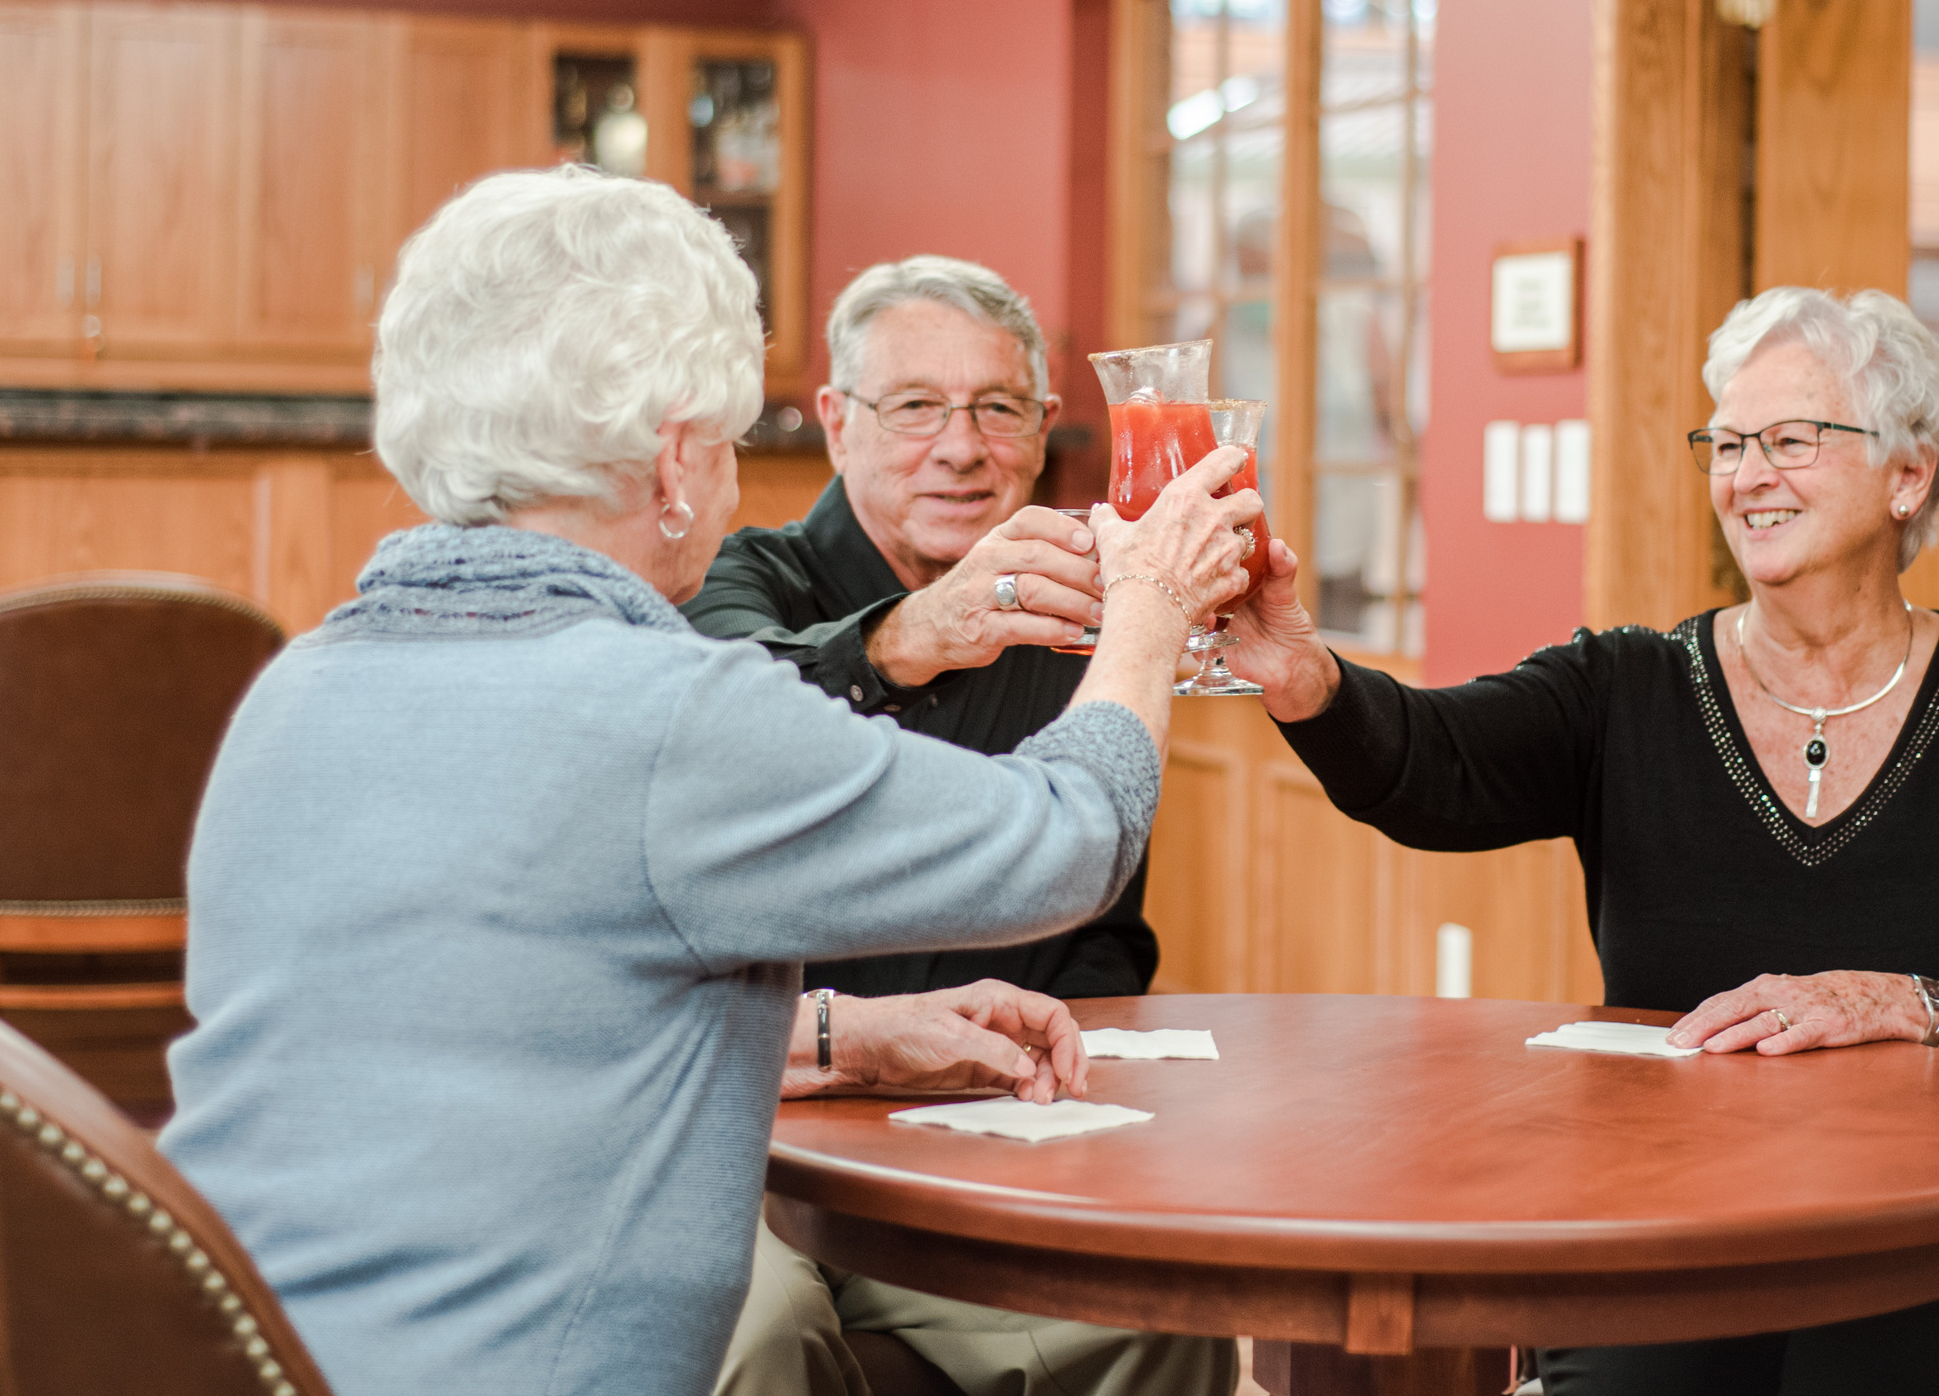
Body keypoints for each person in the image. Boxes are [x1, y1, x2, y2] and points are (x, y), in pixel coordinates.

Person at [160, 169, 1261, 1396]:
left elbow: (519, 1010)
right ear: (678, 459)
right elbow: (1070, 838)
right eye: (737, 439)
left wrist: (851, 1032)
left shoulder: (293, 692)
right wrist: (1153, 607)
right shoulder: (667, 710)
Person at [1218, 286, 1939, 1396]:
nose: (1744, 474)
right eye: (1724, 442)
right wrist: (1307, 680)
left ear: (1906, 474)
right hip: (1683, 1243)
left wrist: (1910, 1003)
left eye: (1788, 439)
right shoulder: (1629, 687)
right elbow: (1433, 767)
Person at [688, 255, 1236, 1396]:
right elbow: (732, 712)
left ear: (1042, 429)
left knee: (1163, 1311)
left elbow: (1101, 931)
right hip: (746, 1137)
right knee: (756, 1333)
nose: (958, 445)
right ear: (837, 423)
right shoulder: (743, 582)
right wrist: (910, 633)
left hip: (970, 1136)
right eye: (914, 407)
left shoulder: (1086, 620)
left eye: (994, 408)